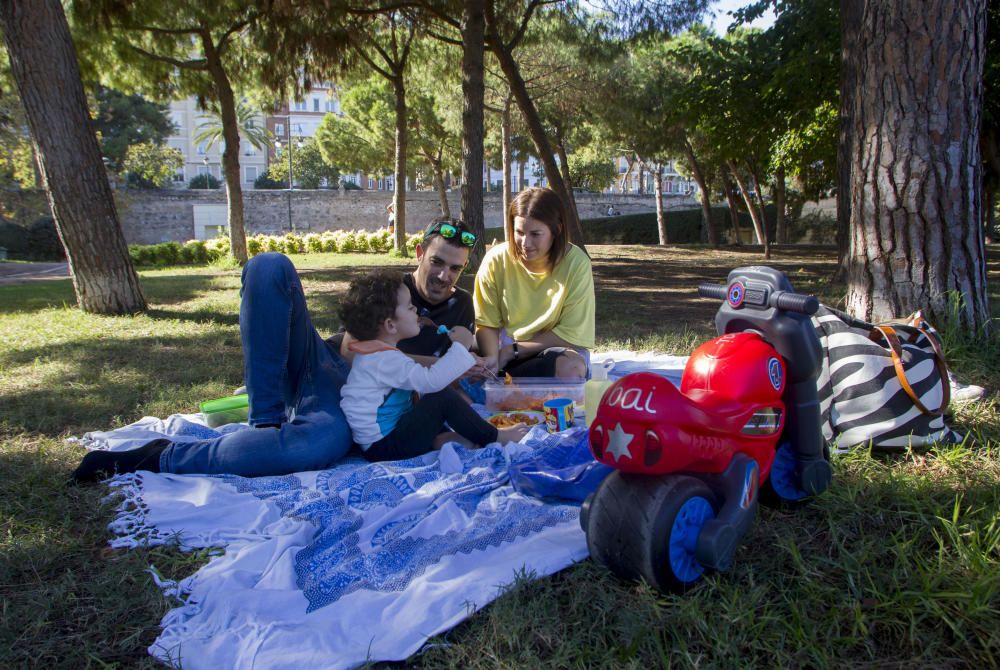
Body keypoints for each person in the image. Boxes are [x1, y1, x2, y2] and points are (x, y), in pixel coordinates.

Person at [72, 252, 354, 481]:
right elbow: (362, 317)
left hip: (354, 404)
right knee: (268, 266)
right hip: (327, 360)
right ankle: (266, 424)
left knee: (315, 444)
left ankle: (159, 457)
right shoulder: (398, 283)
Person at [339, 270, 528, 461]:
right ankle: (495, 436)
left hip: (388, 436)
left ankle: (441, 439)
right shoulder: (382, 360)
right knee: (440, 396)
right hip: (384, 446)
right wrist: (461, 345)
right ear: (390, 325)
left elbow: (423, 381)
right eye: (410, 307)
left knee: (433, 399)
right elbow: (432, 381)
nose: (416, 311)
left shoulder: (379, 355)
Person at [330, 217, 490, 376]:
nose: (443, 276)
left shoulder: (462, 303)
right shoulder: (389, 289)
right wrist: (444, 366)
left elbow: (455, 378)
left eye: (455, 268)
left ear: (465, 266)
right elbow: (350, 353)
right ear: (420, 253)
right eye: (437, 262)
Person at [474, 187, 595, 379]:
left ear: (557, 230)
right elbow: (486, 321)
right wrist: (492, 360)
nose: (525, 243)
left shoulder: (577, 264)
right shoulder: (495, 260)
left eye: (535, 234)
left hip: (553, 349)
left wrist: (512, 351)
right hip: (503, 350)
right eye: (519, 232)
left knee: (571, 369)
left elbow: (571, 334)